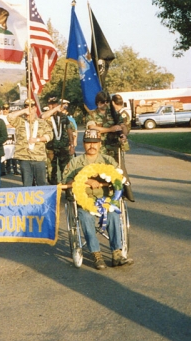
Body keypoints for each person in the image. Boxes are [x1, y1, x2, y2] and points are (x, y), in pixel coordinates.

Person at [62, 129, 134, 270]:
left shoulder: (108, 161)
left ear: (100, 144)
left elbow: (119, 179)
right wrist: (86, 181)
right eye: (88, 143)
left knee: (113, 214)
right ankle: (96, 255)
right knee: (85, 217)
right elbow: (66, 182)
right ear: (83, 144)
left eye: (95, 143)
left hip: (105, 199)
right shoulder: (76, 162)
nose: (92, 146)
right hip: (85, 201)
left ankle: (116, 253)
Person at [7, 99, 51, 186]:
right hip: (24, 158)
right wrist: (23, 111)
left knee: (41, 183)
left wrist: (37, 139)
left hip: (39, 157)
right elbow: (9, 117)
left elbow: (49, 135)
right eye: (27, 107)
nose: (29, 110)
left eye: (31, 108)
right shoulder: (20, 122)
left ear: (35, 109)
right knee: (27, 184)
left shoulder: (42, 123)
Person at [86, 91, 128, 160]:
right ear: (97, 102)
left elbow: (123, 126)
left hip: (114, 149)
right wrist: (110, 129)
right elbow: (91, 128)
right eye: (103, 102)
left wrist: (124, 135)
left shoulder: (115, 114)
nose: (105, 104)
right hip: (99, 149)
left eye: (107, 101)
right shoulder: (92, 114)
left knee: (115, 169)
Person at [42, 98, 75, 185]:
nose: (53, 106)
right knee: (51, 171)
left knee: (66, 170)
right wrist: (54, 110)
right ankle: (54, 190)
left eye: (55, 104)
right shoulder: (46, 116)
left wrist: (72, 145)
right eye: (50, 104)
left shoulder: (63, 116)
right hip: (50, 147)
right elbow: (42, 117)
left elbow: (69, 131)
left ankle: (68, 193)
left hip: (63, 147)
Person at [0, 103, 19, 176]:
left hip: (12, 136)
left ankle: (15, 170)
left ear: (9, 109)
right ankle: (5, 170)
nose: (5, 110)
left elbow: (15, 124)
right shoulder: (0, 117)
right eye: (4, 108)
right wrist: (7, 126)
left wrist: (8, 125)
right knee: (4, 153)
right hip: (4, 136)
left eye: (7, 109)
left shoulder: (11, 116)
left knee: (13, 152)